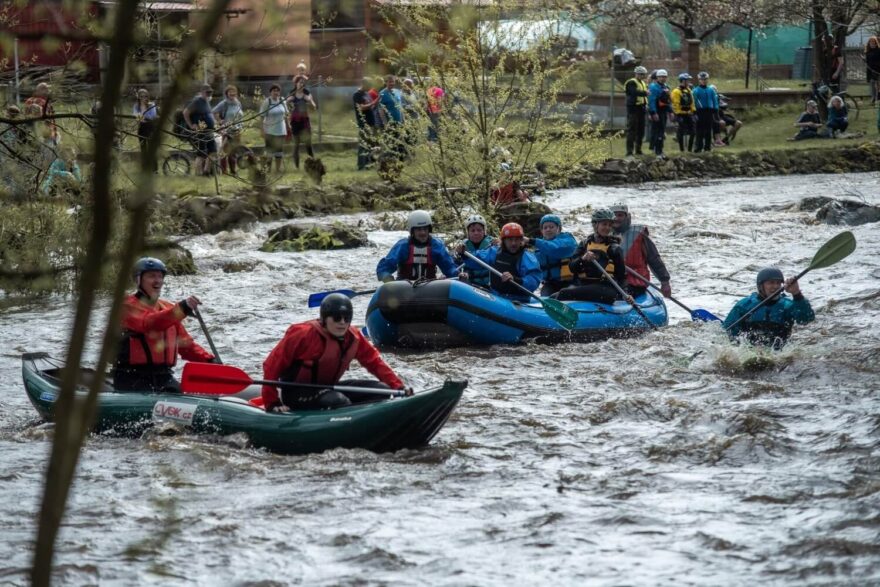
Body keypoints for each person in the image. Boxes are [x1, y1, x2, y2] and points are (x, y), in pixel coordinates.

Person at [261, 294, 410, 411]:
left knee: (382, 391)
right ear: (325, 319)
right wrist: (272, 402)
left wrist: (398, 387)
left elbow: (375, 363)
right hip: (296, 393)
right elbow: (271, 366)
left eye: (347, 318)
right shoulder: (302, 334)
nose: (342, 322)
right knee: (338, 401)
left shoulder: (354, 337)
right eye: (337, 317)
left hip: (328, 388)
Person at [113, 257, 215, 392]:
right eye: (151, 276)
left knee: (181, 401)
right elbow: (150, 323)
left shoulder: (167, 308)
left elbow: (186, 345)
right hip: (131, 377)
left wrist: (209, 362)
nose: (157, 281)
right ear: (138, 280)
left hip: (163, 376)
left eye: (160, 276)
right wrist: (182, 308)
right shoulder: (126, 306)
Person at [722, 267, 815, 348]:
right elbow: (728, 331)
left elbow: (806, 319)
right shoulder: (744, 305)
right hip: (749, 349)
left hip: (778, 351)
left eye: (778, 283)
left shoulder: (788, 306)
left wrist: (796, 293)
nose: (775, 286)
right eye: (771, 283)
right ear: (760, 286)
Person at [553, 209, 631, 305]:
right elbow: (572, 267)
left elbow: (622, 277)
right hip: (583, 285)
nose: (607, 227)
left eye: (610, 225)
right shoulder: (585, 244)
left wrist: (626, 294)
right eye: (604, 224)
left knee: (564, 293)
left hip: (606, 289)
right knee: (553, 297)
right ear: (595, 225)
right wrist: (582, 259)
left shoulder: (614, 248)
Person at [376, 210, 460, 282]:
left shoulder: (436, 246)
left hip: (430, 287)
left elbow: (449, 268)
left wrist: (458, 275)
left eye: (425, 229)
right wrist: (388, 279)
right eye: (419, 229)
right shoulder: (403, 246)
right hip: (404, 287)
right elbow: (383, 269)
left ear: (429, 229)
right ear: (412, 231)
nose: (423, 233)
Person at [610, 203, 671, 298]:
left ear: (627, 217)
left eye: (620, 215)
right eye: (614, 215)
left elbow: (654, 258)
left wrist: (665, 282)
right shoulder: (604, 233)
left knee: (618, 294)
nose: (617, 218)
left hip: (635, 281)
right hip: (612, 279)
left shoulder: (638, 234)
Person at [467, 222, 541, 302]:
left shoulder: (527, 257)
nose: (513, 243)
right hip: (495, 296)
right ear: (504, 240)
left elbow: (534, 279)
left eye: (517, 239)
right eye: (510, 239)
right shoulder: (494, 252)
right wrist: (463, 254)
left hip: (518, 300)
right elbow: (476, 260)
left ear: (521, 240)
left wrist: (516, 279)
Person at [527, 214, 577, 296]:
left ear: (559, 229)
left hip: (571, 282)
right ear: (542, 231)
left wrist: (531, 241)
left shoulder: (568, 241)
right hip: (551, 284)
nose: (548, 230)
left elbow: (554, 248)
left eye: (551, 227)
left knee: (564, 295)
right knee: (545, 298)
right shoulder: (538, 250)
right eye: (545, 228)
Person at [453, 214, 495, 288]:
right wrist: (461, 273)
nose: (476, 233)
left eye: (479, 230)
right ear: (468, 232)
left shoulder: (492, 244)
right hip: (470, 284)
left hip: (489, 284)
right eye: (472, 230)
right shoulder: (462, 246)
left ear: (484, 231)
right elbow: (455, 264)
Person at [212, 85, 245, 175]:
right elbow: (214, 111)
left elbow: (240, 115)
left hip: (238, 130)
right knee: (225, 151)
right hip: (227, 131)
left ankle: (233, 170)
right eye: (230, 92)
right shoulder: (224, 103)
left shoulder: (238, 103)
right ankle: (224, 171)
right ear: (227, 94)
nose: (232, 93)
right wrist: (220, 121)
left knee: (234, 151)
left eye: (234, 91)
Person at [287, 75, 317, 169]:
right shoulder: (292, 93)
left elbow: (314, 107)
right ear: (296, 83)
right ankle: (297, 167)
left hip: (304, 121)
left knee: (308, 144)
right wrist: (288, 102)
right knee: (296, 144)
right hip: (295, 121)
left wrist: (309, 101)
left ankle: (313, 165)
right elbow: (285, 105)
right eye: (300, 82)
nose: (302, 84)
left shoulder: (307, 93)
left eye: (303, 82)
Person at [260, 84, 289, 172]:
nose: (276, 92)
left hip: (281, 130)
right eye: (274, 91)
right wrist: (262, 130)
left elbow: (286, 114)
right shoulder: (267, 102)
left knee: (279, 151)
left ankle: (278, 169)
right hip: (270, 131)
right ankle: (267, 169)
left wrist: (288, 126)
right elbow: (261, 116)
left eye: (277, 91)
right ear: (270, 92)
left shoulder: (282, 101)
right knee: (269, 152)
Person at [353, 77, 379, 170]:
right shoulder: (357, 95)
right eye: (369, 86)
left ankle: (369, 164)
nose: (370, 88)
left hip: (371, 122)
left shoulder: (366, 94)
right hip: (364, 123)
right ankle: (361, 165)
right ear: (364, 84)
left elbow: (371, 105)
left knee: (370, 145)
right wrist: (374, 102)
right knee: (363, 144)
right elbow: (361, 108)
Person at [624, 65, 649, 157]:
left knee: (641, 130)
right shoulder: (631, 82)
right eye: (641, 74)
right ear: (636, 74)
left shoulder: (642, 83)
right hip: (633, 109)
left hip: (641, 108)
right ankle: (629, 151)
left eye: (643, 74)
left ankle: (638, 150)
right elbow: (633, 92)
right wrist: (645, 93)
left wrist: (646, 104)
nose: (642, 76)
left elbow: (644, 97)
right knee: (632, 130)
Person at [647, 69, 672, 159]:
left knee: (661, 131)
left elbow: (668, 101)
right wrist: (653, 113)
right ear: (657, 77)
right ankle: (657, 151)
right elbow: (651, 101)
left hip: (664, 111)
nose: (662, 78)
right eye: (661, 77)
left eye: (664, 77)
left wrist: (670, 111)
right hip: (657, 111)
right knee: (657, 131)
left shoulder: (666, 87)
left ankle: (659, 149)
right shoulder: (653, 87)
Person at [692, 71, 719, 153]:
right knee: (699, 130)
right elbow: (693, 101)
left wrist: (715, 108)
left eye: (705, 79)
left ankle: (707, 147)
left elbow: (715, 100)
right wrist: (694, 111)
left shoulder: (711, 90)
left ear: (707, 80)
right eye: (702, 79)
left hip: (709, 111)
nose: (703, 81)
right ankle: (698, 147)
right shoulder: (695, 90)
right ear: (699, 80)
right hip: (700, 111)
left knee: (708, 130)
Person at [133, 88, 159, 172]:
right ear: (139, 97)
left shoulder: (152, 105)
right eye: (141, 96)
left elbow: (152, 116)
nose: (144, 98)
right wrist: (141, 117)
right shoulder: (136, 106)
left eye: (145, 96)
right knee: (143, 149)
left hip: (150, 128)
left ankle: (155, 169)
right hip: (142, 128)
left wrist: (142, 117)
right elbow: (135, 116)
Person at [671, 72, 695, 153]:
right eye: (687, 80)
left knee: (693, 131)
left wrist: (693, 111)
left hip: (689, 113)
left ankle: (690, 149)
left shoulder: (689, 90)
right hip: (680, 114)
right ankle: (682, 150)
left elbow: (692, 102)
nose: (689, 82)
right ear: (682, 81)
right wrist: (681, 112)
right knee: (681, 131)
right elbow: (676, 104)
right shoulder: (676, 91)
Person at [866, 36, 880, 104]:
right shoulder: (868, 51)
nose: (872, 43)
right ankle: (874, 98)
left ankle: (877, 97)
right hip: (870, 70)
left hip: (877, 69)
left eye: (873, 42)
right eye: (871, 42)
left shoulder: (878, 50)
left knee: (877, 84)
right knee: (872, 83)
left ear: (875, 42)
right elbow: (868, 61)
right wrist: (863, 59)